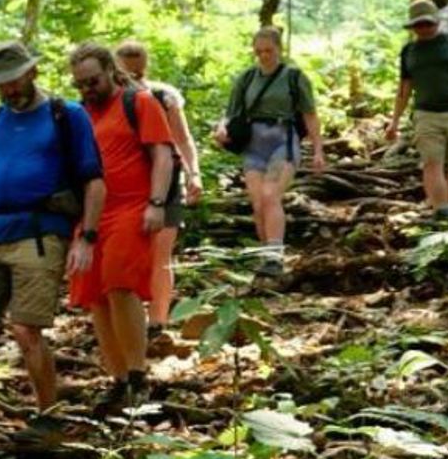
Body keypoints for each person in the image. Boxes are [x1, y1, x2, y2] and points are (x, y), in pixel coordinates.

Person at [0, 41, 105, 453]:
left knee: (26, 328)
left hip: (41, 232)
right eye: (0, 83)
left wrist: (86, 236)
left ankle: (48, 418)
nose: (8, 89)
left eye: (13, 80)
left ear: (32, 73)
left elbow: (93, 181)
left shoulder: (66, 115)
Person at [68, 42, 175, 412]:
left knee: (120, 285)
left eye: (93, 81)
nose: (87, 89)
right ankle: (118, 381)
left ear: (110, 72)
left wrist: (156, 203)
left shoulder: (139, 102)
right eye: (80, 84)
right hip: (90, 215)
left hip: (131, 208)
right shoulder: (80, 114)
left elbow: (162, 154)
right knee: (94, 294)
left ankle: (137, 374)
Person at [213, 27, 325, 278]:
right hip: (254, 145)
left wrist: (318, 150)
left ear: (279, 49)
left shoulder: (294, 77)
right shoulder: (247, 78)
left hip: (283, 141)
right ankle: (266, 258)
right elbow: (231, 113)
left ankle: (275, 256)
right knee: (258, 202)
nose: (264, 56)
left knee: (270, 194)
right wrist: (222, 128)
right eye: (259, 51)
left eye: (269, 51)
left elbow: (310, 114)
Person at [114, 39, 202, 341]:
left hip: (167, 182)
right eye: (125, 75)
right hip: (126, 185)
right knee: (129, 255)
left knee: (160, 253)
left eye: (137, 74)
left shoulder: (164, 97)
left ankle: (158, 322)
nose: (132, 80)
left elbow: (182, 139)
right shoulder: (106, 101)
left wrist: (194, 173)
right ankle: (131, 321)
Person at [387, 0, 448, 220]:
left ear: (437, 22)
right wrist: (394, 121)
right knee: (431, 163)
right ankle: (441, 211)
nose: (424, 29)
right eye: (418, 25)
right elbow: (404, 87)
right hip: (426, 114)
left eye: (428, 23)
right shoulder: (409, 51)